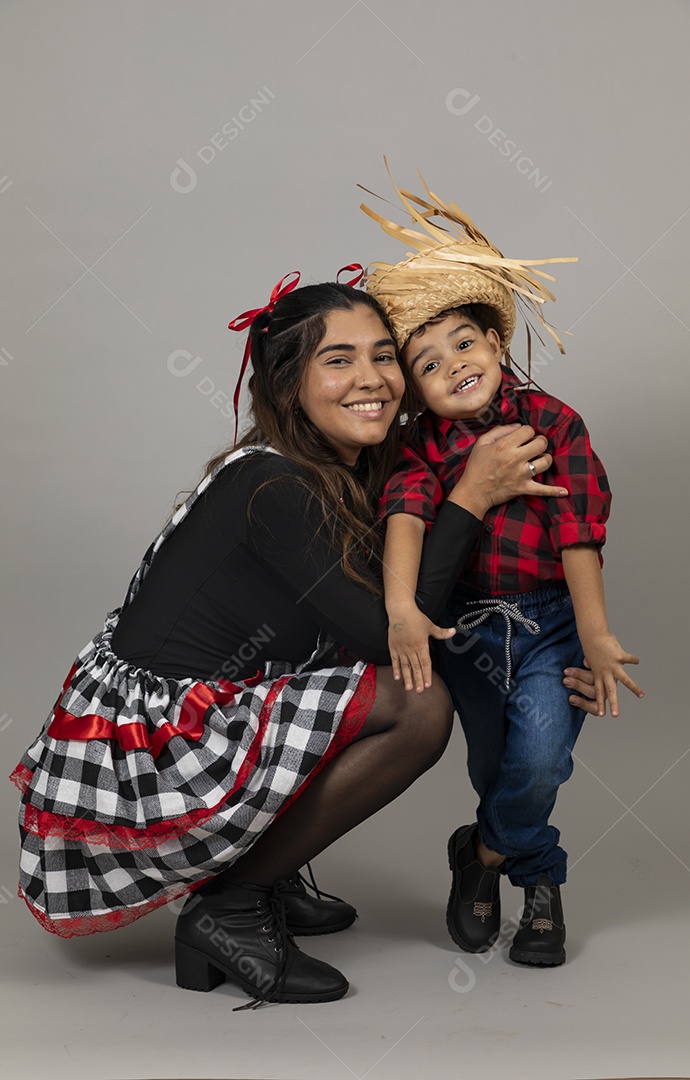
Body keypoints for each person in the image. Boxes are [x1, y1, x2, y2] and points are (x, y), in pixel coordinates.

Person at [10, 274, 599, 1009]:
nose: (373, 379)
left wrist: (557, 649)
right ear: (290, 385)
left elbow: (400, 601)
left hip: (209, 708)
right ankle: (229, 906)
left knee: (358, 669)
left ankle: (264, 870)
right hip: (146, 756)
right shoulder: (274, 487)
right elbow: (393, 634)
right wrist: (471, 496)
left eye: (385, 357)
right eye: (339, 360)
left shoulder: (329, 467)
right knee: (416, 704)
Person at [361, 176, 644, 966]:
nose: (452, 364)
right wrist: (400, 611)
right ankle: (522, 874)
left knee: (542, 758)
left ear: (495, 342)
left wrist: (593, 632)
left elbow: (578, 529)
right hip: (471, 630)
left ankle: (504, 862)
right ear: (410, 388)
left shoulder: (552, 421)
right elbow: (407, 522)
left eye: (463, 343)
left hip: (552, 622)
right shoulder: (419, 447)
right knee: (494, 764)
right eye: (425, 362)